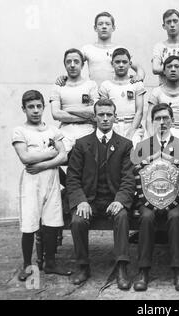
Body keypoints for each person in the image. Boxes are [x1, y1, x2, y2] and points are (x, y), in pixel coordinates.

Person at [66, 99, 136, 288]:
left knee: (121, 217)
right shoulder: (81, 144)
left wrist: (120, 200)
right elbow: (72, 177)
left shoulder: (125, 145)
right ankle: (83, 266)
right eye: (101, 115)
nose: (105, 119)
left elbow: (129, 178)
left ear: (115, 117)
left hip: (113, 199)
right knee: (78, 220)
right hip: (89, 200)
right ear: (95, 117)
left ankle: (122, 267)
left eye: (109, 115)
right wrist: (80, 201)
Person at [131, 103, 179, 292]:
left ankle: (178, 270)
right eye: (158, 118)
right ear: (152, 122)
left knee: (175, 216)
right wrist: (147, 198)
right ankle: (143, 270)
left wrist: (177, 177)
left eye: (166, 118)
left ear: (172, 121)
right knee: (147, 217)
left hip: (177, 198)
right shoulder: (142, 147)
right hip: (147, 199)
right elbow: (133, 177)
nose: (162, 122)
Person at [12, 90, 71, 281]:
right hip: (31, 181)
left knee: (52, 222)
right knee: (30, 223)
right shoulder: (20, 131)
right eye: (31, 107)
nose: (35, 111)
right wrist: (51, 152)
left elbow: (64, 155)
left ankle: (50, 262)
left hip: (51, 178)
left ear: (43, 107)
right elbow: (25, 157)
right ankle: (28, 265)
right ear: (24, 109)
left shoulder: (53, 130)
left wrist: (43, 164)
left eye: (39, 106)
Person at [56, 12, 145, 87]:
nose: (104, 26)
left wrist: (139, 76)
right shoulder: (87, 49)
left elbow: (139, 68)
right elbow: (73, 62)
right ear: (95, 28)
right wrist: (64, 77)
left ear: (113, 28)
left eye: (107, 24)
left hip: (115, 92)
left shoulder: (120, 49)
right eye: (100, 24)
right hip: (95, 94)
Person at [50, 48, 97, 154]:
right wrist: (85, 115)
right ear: (64, 65)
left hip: (87, 130)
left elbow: (94, 111)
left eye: (76, 61)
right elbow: (56, 114)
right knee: (52, 156)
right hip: (65, 131)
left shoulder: (91, 85)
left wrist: (69, 109)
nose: (72, 65)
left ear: (82, 65)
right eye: (68, 62)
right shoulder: (58, 86)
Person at [147, 55, 179, 148]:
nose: (173, 69)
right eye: (169, 67)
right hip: (162, 131)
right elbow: (149, 118)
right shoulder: (157, 92)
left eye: (177, 66)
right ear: (164, 71)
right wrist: (152, 138)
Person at [99, 48, 146, 148]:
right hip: (113, 126)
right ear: (112, 63)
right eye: (117, 62)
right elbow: (103, 111)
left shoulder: (136, 84)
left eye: (124, 62)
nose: (121, 65)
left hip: (132, 125)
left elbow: (139, 112)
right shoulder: (106, 85)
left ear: (130, 64)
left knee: (132, 149)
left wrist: (130, 134)